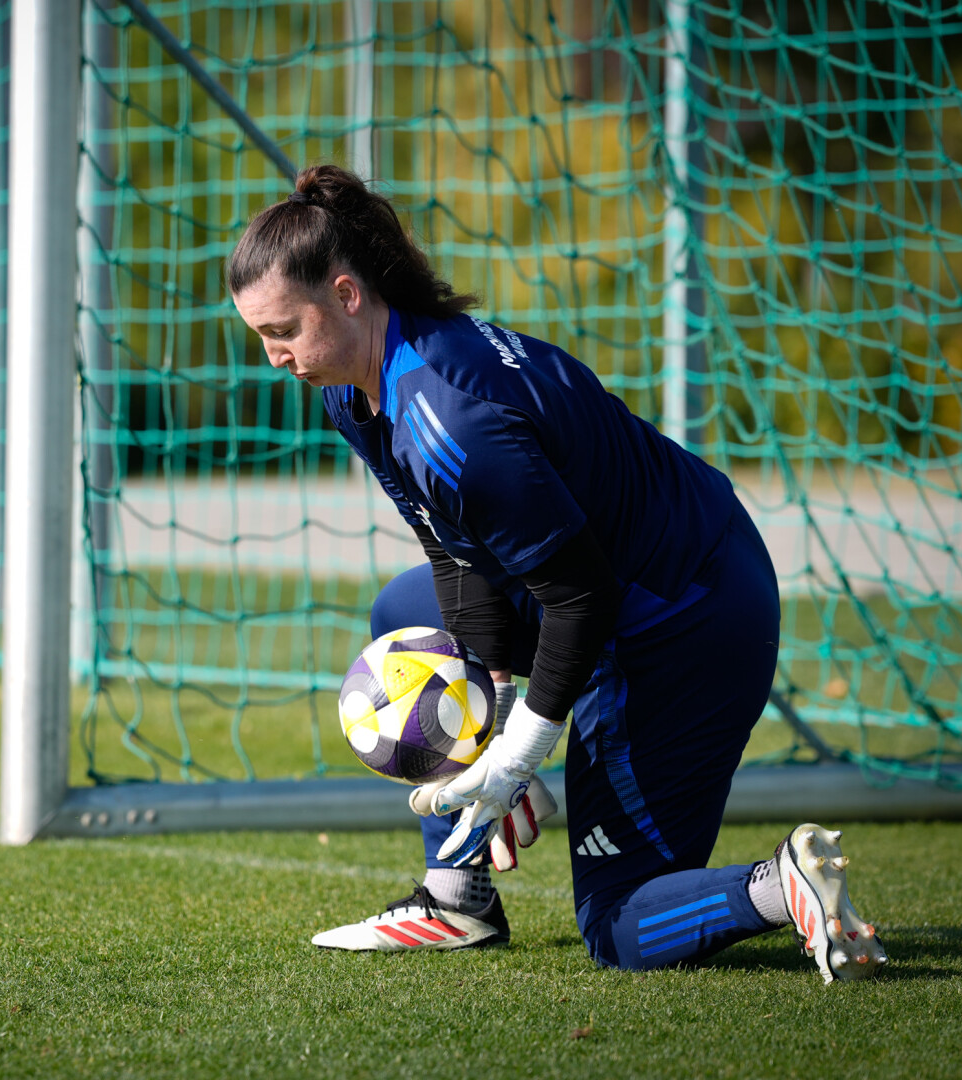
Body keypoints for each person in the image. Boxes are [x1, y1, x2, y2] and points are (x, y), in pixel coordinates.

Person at [227, 165, 887, 982]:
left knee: (617, 926)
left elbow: (582, 600)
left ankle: (778, 886)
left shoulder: (452, 418)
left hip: (691, 615)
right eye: (259, 334)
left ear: (347, 294)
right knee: (407, 615)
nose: (272, 357)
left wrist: (518, 750)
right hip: (624, 581)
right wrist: (493, 708)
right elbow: (455, 554)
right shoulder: (355, 389)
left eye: (283, 328)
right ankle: (456, 896)